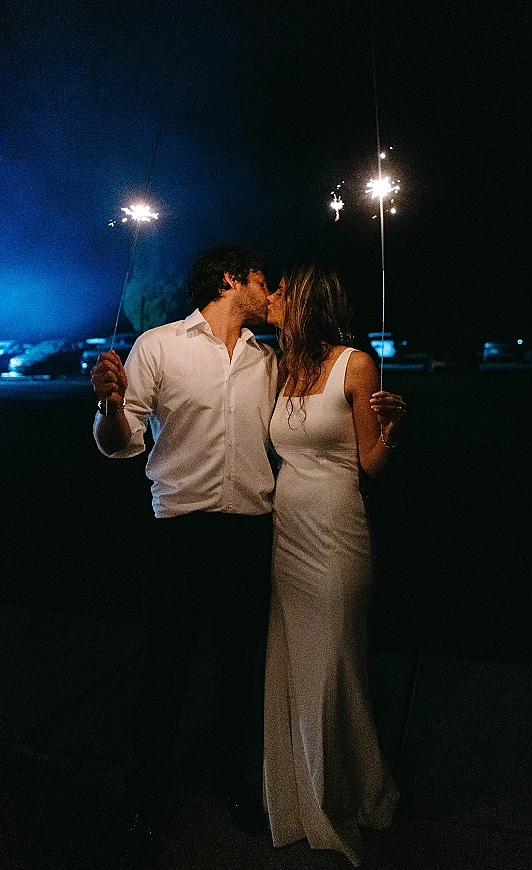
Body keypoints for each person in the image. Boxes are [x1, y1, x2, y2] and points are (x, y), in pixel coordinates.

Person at [90, 244, 278, 865]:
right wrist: (113, 404)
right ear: (231, 281)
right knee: (165, 668)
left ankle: (232, 783)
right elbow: (121, 446)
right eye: (261, 281)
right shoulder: (158, 345)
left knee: (238, 669)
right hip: (182, 532)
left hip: (251, 532)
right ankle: (146, 795)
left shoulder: (266, 358)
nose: (268, 291)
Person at [263, 263, 406, 867]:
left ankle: (352, 792)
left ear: (303, 303)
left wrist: (393, 430)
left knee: (338, 665)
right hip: (286, 533)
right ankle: (295, 798)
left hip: (338, 533)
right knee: (292, 666)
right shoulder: (280, 366)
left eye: (280, 292)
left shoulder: (355, 364)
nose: (268, 298)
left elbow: (371, 464)